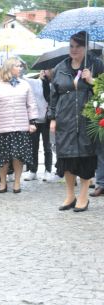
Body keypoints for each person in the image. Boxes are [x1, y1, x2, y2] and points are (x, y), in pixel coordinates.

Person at [49, 31, 104, 212]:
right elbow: (54, 95)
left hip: (87, 118)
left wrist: (92, 80)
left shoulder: (96, 64)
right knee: (67, 158)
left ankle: (83, 196)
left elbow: (102, 92)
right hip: (65, 119)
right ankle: (70, 195)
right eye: (71, 46)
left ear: (86, 46)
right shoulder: (61, 67)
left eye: (78, 46)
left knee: (85, 158)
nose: (73, 50)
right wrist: (52, 118)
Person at [0, 58, 38, 193]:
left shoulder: (25, 85)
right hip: (2, 127)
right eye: (17, 66)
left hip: (21, 126)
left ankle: (17, 182)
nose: (20, 68)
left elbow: (31, 104)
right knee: (2, 158)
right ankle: (2, 182)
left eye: (21, 66)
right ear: (9, 68)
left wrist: (32, 122)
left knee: (18, 156)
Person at [23, 71, 52, 182]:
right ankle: (33, 170)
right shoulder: (34, 82)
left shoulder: (53, 84)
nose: (46, 73)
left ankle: (48, 170)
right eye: (45, 71)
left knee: (47, 147)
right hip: (35, 119)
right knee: (33, 147)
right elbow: (22, 78)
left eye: (48, 71)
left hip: (47, 119)